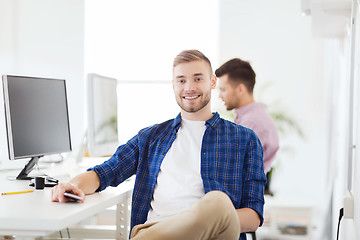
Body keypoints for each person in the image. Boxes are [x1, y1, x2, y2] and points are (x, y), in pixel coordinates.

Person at [51, 50, 266, 240]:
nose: (189, 87)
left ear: (212, 82)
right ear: (173, 85)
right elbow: (105, 172)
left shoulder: (244, 139)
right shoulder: (151, 137)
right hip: (157, 230)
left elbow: (254, 216)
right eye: (181, 80)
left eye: (197, 79)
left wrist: (205, 220)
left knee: (219, 203)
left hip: (215, 234)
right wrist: (74, 185)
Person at [215, 58, 279, 174]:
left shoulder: (251, 123)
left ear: (240, 89)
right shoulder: (254, 118)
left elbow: (234, 169)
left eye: (223, 90)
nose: (220, 96)